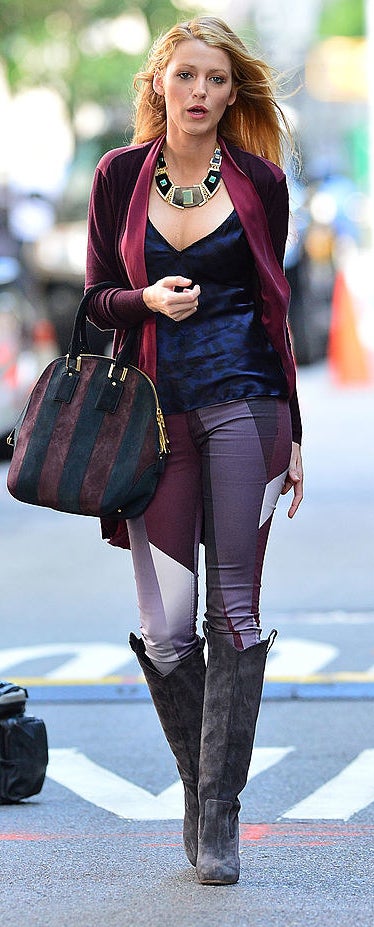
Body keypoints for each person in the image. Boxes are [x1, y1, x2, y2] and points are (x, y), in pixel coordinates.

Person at [85, 15, 303, 885]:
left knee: (235, 616)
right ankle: (198, 781)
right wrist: (144, 302)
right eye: (187, 77)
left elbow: (276, 310)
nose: (202, 93)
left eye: (217, 79)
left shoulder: (261, 183)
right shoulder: (118, 179)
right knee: (168, 631)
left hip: (248, 408)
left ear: (232, 90)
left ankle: (218, 818)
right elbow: (97, 297)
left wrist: (295, 436)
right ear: (160, 84)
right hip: (154, 420)